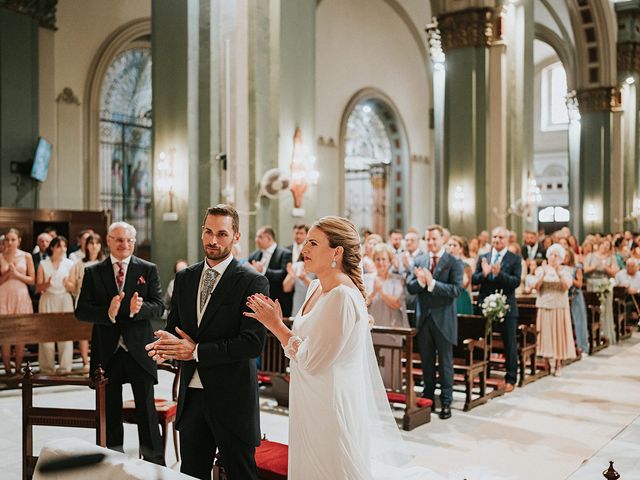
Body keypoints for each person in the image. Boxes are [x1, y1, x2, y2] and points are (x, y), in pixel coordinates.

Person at [244, 216, 432, 479]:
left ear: (337, 251)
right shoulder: (315, 286)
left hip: (328, 402)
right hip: (308, 395)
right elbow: (304, 341)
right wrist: (279, 323)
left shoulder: (342, 296)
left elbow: (312, 359)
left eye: (312, 243)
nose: (304, 250)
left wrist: (275, 325)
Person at [145, 205, 269, 480]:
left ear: (236, 236)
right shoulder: (185, 277)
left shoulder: (253, 282)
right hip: (192, 398)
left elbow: (251, 344)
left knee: (241, 474)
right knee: (191, 475)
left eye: (222, 234)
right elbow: (174, 328)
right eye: (208, 232)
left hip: (233, 398)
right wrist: (167, 347)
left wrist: (197, 351)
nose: (213, 240)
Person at [75, 221, 164, 465]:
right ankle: (114, 463)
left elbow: (159, 306)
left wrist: (140, 308)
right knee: (111, 412)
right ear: (108, 241)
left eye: (128, 240)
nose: (124, 244)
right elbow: (81, 311)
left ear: (134, 243)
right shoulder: (94, 272)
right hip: (108, 352)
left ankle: (155, 464)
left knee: (146, 411)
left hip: (139, 350)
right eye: (119, 239)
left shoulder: (148, 268)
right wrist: (108, 313)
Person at [407, 225, 463, 419]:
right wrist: (421, 283)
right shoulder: (420, 260)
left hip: (444, 318)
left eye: (434, 239)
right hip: (424, 319)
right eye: (428, 239)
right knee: (427, 362)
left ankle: (446, 401)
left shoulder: (453, 262)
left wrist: (432, 284)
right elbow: (410, 286)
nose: (430, 242)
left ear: (443, 240)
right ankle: (428, 397)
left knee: (446, 363)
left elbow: (456, 290)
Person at [472, 226, 521, 393]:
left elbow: (516, 282)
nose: (497, 240)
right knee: (482, 341)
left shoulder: (514, 259)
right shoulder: (483, 257)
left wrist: (500, 274)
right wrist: (484, 274)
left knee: (509, 343)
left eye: (500, 237)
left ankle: (511, 378)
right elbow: (474, 278)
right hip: (485, 305)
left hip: (506, 306)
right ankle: (482, 375)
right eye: (494, 237)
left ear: (507, 240)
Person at [364, 243, 409, 390]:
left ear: (389, 261)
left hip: (391, 329)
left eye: (383, 259)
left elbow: (396, 304)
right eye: (377, 259)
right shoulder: (366, 279)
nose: (380, 263)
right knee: (372, 365)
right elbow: (363, 303)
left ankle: (392, 394)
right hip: (373, 329)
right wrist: (374, 292)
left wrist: (381, 291)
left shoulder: (397, 279)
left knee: (390, 364)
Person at [533, 244, 576, 376]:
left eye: (556, 256)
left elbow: (565, 286)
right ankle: (546, 362)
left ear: (561, 258)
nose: (553, 258)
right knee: (545, 334)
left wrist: (557, 272)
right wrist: (543, 274)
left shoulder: (566, 270)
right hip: (544, 304)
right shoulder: (541, 269)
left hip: (559, 306)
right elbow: (536, 286)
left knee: (558, 334)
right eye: (551, 255)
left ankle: (558, 364)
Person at [65, 233, 106, 372]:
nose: (94, 246)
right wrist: (69, 285)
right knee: (83, 332)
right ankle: (85, 361)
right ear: (86, 245)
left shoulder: (105, 263)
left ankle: (101, 360)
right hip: (84, 300)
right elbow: (71, 283)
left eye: (97, 243)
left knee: (100, 332)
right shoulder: (79, 264)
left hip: (101, 302)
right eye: (91, 243)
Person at [36, 236, 75, 374]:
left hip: (65, 299)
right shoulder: (43, 264)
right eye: (59, 246)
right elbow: (38, 287)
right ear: (52, 247)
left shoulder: (70, 264)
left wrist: (67, 284)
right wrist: (47, 284)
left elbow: (74, 287)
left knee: (66, 334)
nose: (63, 249)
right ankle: (47, 368)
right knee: (46, 335)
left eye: (64, 246)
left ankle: (65, 367)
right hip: (48, 299)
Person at [0, 228, 35, 376]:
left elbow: (32, 280)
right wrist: (8, 274)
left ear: (19, 240)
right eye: (7, 239)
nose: (10, 242)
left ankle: (19, 367)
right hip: (4, 294)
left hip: (21, 295)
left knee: (20, 332)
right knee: (6, 333)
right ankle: (7, 368)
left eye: (13, 239)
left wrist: (16, 274)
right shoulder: (0, 256)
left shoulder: (26, 256)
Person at [247, 226, 293, 317]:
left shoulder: (285, 253)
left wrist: (263, 270)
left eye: (260, 237)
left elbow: (283, 274)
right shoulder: (254, 254)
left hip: (278, 298)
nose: (256, 240)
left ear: (269, 238)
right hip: (259, 299)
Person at [447, 235, 473, 315]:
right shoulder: (443, 264)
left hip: (460, 298)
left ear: (461, 249)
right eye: (449, 245)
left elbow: (464, 283)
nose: (452, 247)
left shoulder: (465, 265)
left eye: (454, 245)